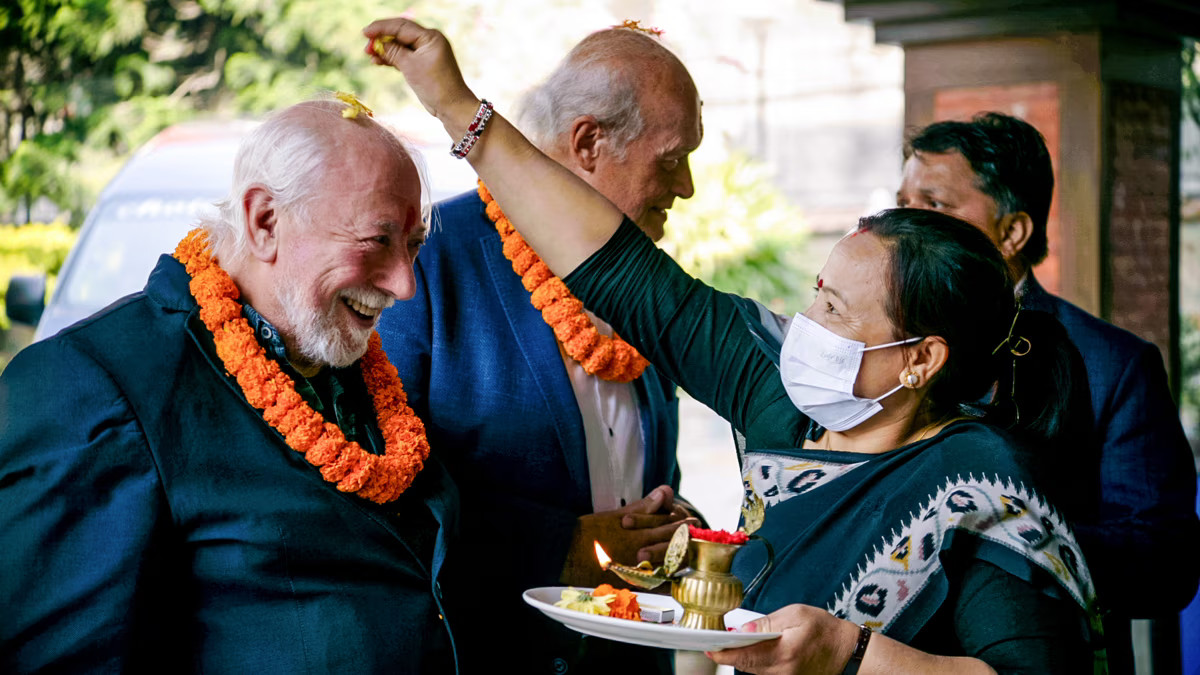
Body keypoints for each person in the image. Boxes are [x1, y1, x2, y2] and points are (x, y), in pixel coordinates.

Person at [366, 18, 1103, 673]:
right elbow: (618, 266)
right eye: (816, 291)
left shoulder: (981, 491)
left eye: (837, 310)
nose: (805, 322)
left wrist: (851, 654)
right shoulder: (779, 395)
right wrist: (457, 108)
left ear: (921, 358)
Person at [0, 99, 462, 672]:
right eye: (377, 241)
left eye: (414, 244)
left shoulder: (345, 362)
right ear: (265, 220)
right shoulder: (90, 384)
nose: (405, 285)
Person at [374, 24, 702, 674]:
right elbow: (386, 491)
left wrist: (676, 526)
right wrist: (561, 548)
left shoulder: (645, 283)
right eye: (670, 159)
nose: (687, 186)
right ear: (588, 143)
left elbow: (645, 466)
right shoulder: (430, 263)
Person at [897, 112, 1200, 670]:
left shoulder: (1112, 364)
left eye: (935, 206)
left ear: (1013, 233)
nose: (905, 222)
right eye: (903, 201)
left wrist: (1001, 536)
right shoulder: (877, 345)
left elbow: (1165, 564)